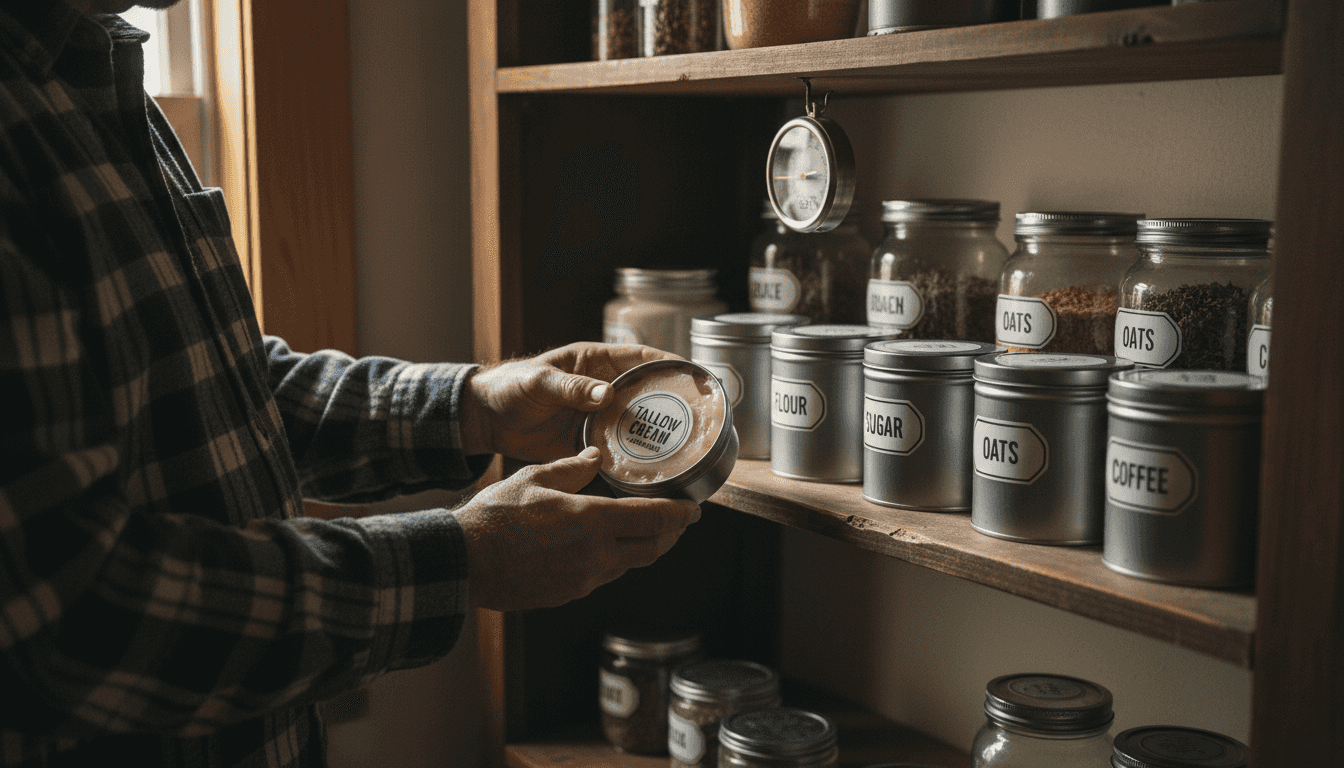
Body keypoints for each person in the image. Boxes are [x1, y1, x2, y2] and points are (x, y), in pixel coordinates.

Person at [0, 1, 702, 765]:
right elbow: (69, 619)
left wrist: (472, 408)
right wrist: (463, 559)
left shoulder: (93, 59)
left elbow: (212, 387)